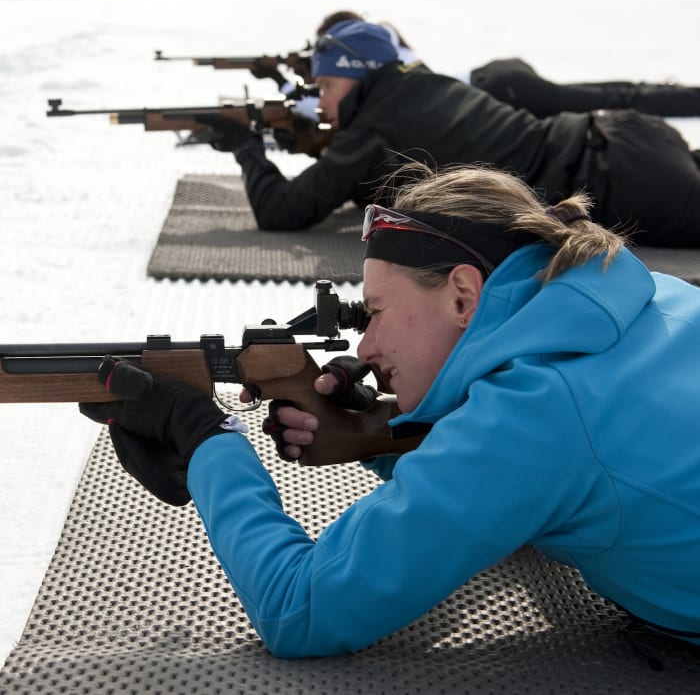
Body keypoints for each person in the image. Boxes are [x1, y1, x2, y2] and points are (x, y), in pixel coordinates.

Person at [79, 164, 700, 658]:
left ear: (463, 294)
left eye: (374, 311)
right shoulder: (648, 298)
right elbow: (523, 486)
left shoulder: (537, 414)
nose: (365, 346)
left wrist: (205, 437)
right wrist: (377, 437)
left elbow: (301, 610)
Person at [204, 18, 700, 245]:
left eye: (328, 84)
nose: (323, 99)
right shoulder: (419, 81)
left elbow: (280, 212)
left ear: (357, 72)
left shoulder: (373, 123)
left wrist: (247, 147)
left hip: (619, 183)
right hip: (629, 137)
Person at [260, 9, 700, 119]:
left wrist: (284, 86)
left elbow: (319, 105)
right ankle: (667, 90)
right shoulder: (388, 50)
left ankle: (684, 99)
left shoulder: (384, 62)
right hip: (499, 77)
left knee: (604, 105)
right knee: (601, 95)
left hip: (503, 89)